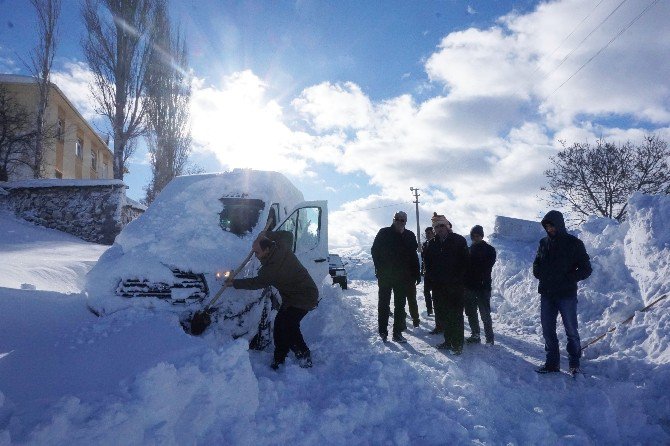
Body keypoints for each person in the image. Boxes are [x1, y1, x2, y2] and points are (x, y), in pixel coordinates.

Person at [228, 231, 318, 370]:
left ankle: (304, 355)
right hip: (292, 297)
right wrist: (267, 235)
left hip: (305, 296)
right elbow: (287, 235)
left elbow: (255, 283)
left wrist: (233, 283)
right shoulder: (282, 247)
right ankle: (280, 357)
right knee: (279, 325)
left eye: (257, 252)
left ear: (267, 249)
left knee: (289, 325)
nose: (255, 255)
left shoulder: (271, 270)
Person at [532, 210, 592, 375]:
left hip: (566, 294)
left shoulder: (574, 243)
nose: (550, 229)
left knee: (571, 330)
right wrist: (538, 272)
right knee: (547, 329)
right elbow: (537, 263)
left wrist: (569, 278)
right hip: (547, 293)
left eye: (552, 226)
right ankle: (552, 363)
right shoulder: (543, 243)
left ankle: (574, 362)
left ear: (559, 224)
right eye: (547, 226)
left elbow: (586, 269)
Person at [371, 211, 421, 343]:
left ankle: (397, 333)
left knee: (400, 305)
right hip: (386, 276)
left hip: (403, 277)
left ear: (406, 221)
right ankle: (382, 331)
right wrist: (380, 268)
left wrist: (417, 273)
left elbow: (413, 256)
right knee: (384, 304)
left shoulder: (410, 235)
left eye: (402, 220)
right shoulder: (384, 233)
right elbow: (374, 250)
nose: (400, 221)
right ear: (393, 220)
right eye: (397, 219)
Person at [424, 213, 469, 354]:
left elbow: (466, 263)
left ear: (447, 226)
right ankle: (448, 340)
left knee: (456, 315)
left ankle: (458, 343)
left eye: (442, 225)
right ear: (434, 229)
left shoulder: (459, 240)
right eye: (436, 227)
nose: (439, 228)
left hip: (456, 286)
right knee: (444, 315)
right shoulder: (431, 245)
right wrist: (431, 283)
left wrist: (460, 280)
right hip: (439, 287)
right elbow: (428, 266)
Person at [464, 225, 497, 345]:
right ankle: (475, 334)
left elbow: (486, 267)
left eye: (477, 236)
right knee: (471, 312)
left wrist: (472, 267)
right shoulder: (469, 249)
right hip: (469, 287)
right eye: (473, 236)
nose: (475, 238)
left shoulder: (490, 250)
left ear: (482, 236)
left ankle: (489, 338)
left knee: (485, 314)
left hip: (483, 287)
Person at [420, 226, 435, 316]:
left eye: (429, 233)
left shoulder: (437, 243)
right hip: (427, 273)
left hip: (436, 273)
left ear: (433, 233)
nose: (428, 235)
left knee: (436, 293)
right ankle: (429, 309)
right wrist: (422, 269)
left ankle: (437, 309)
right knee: (426, 291)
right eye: (426, 233)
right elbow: (423, 259)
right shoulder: (424, 244)